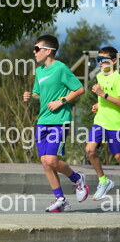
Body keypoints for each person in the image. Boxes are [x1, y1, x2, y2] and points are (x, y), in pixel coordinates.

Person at [23, 35, 87, 212]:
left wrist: (61, 101)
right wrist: (30, 96)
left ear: (48, 51)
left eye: (37, 49)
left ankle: (77, 179)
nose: (34, 52)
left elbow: (79, 89)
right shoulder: (39, 71)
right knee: (45, 162)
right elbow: (38, 94)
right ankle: (61, 200)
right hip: (42, 120)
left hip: (59, 120)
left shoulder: (61, 68)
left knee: (52, 159)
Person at [86, 46, 120, 200]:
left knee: (118, 157)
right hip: (100, 121)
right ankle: (103, 181)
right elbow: (103, 99)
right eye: (98, 59)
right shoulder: (99, 76)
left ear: (114, 61)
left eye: (103, 60)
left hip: (116, 124)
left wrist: (102, 94)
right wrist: (98, 105)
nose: (99, 62)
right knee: (90, 150)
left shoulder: (118, 79)